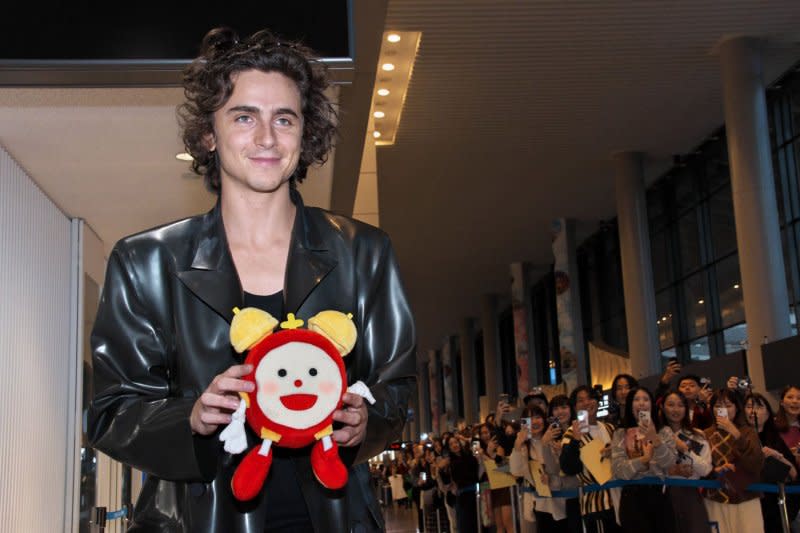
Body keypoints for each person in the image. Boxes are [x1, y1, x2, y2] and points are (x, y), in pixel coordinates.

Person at [87, 27, 416, 533]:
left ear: (305, 134)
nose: (267, 138)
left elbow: (395, 386)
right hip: (195, 518)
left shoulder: (364, 251)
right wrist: (191, 418)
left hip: (334, 515)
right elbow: (111, 412)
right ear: (208, 134)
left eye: (284, 119)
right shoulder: (145, 261)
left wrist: (365, 422)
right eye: (244, 117)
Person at [611, 386, 676, 533]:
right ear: (629, 405)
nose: (641, 403)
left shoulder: (664, 431)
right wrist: (643, 460)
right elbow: (618, 470)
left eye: (646, 399)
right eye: (636, 399)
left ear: (652, 405)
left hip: (660, 497)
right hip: (631, 499)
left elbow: (670, 463)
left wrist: (655, 439)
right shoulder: (620, 433)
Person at [703, 389, 764, 533]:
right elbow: (701, 466)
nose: (722, 410)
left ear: (737, 407)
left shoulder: (748, 432)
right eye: (718, 406)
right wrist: (714, 470)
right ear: (711, 409)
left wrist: (736, 434)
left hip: (746, 495)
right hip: (715, 497)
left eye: (728, 405)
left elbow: (756, 463)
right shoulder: (705, 433)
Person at [560, 385, 620, 533]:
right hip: (595, 504)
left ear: (597, 402)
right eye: (581, 400)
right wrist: (575, 441)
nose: (587, 403)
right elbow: (568, 467)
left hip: (618, 498)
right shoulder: (571, 433)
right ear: (575, 407)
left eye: (590, 398)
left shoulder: (609, 428)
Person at [744, 391, 800, 531]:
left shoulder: (775, 439)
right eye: (749, 406)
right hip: (747, 502)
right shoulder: (739, 437)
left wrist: (778, 456)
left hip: (774, 504)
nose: (753, 411)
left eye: (759, 407)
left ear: (769, 413)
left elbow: (794, 474)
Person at [659, 390, 711, 533]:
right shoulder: (656, 435)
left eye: (680, 405)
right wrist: (672, 471)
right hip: (662, 496)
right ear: (662, 408)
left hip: (690, 495)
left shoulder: (697, 435)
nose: (675, 409)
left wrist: (686, 450)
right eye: (670, 405)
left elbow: (706, 469)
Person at [509, 406, 567, 533]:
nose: (535, 422)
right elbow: (516, 471)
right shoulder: (525, 447)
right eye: (529, 419)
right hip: (541, 506)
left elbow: (565, 469)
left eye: (538, 417)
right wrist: (518, 444)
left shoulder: (555, 438)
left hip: (563, 501)